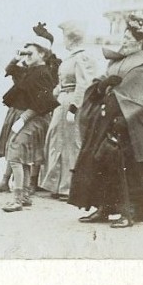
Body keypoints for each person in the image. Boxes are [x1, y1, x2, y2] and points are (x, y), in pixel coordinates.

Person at [68, 14, 143, 228]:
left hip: (132, 126)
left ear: (140, 41)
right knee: (100, 162)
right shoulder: (117, 59)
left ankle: (128, 211)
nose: (125, 41)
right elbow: (100, 85)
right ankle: (104, 207)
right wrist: (101, 87)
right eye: (124, 36)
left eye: (129, 38)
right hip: (106, 121)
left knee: (128, 168)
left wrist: (125, 116)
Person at [0, 35, 59, 212]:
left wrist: (23, 119)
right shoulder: (32, 70)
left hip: (35, 119)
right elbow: (11, 69)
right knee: (24, 158)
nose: (27, 55)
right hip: (31, 118)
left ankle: (18, 199)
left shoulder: (43, 73)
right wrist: (20, 56)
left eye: (31, 52)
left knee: (14, 155)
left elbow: (44, 102)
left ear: (42, 54)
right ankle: (25, 196)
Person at [40, 21, 100, 201]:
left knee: (71, 143)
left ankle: (69, 186)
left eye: (65, 37)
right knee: (57, 140)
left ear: (71, 39)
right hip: (62, 100)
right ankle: (56, 184)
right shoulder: (71, 57)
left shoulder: (82, 57)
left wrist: (74, 107)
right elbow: (63, 82)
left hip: (71, 102)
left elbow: (83, 84)